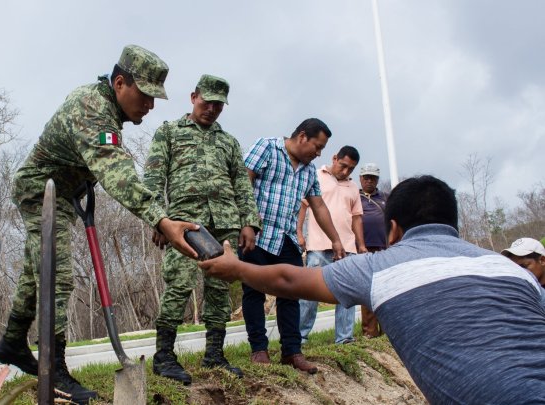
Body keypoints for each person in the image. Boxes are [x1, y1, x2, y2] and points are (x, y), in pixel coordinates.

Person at [200, 175, 545, 404]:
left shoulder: (380, 268)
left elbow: (289, 280)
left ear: (393, 230)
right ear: (452, 223)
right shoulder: (510, 269)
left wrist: (237, 269)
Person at [0, 45, 198, 404]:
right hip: (42, 193)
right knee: (56, 275)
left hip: (60, 192)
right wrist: (161, 220)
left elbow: (94, 160)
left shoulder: (108, 112)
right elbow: (116, 171)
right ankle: (54, 370)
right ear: (120, 83)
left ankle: (11, 342)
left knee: (35, 273)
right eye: (145, 95)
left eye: (155, 99)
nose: (149, 106)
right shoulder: (91, 107)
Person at [143, 75, 260, 384]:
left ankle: (214, 355)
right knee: (179, 286)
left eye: (218, 105)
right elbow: (154, 178)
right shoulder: (169, 132)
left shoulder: (229, 142)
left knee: (220, 292)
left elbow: (242, 185)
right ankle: (164, 357)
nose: (211, 109)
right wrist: (158, 219)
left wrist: (249, 222)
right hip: (185, 224)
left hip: (225, 224)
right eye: (206, 101)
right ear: (193, 96)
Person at [241, 118, 345, 374]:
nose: (319, 153)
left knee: (290, 293)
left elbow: (318, 206)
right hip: (258, 232)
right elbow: (244, 181)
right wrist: (246, 222)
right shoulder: (267, 147)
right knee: (253, 291)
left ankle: (292, 351)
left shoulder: (309, 170)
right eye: (317, 146)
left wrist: (336, 239)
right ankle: (259, 350)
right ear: (302, 137)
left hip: (286, 237)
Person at [297, 146, 366, 344]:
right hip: (319, 245)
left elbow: (357, 218)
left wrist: (360, 245)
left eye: (351, 169)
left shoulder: (353, 187)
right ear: (335, 158)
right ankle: (300, 337)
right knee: (310, 292)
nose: (345, 172)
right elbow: (303, 207)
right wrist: (299, 233)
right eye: (343, 166)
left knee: (347, 294)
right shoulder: (316, 175)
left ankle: (344, 338)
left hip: (348, 248)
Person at [357, 163, 387, 337]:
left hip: (383, 249)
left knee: (384, 289)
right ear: (360, 179)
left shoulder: (384, 198)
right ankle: (369, 331)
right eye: (366, 177)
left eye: (373, 178)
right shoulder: (354, 197)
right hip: (362, 249)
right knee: (367, 291)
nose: (369, 181)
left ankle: (387, 330)